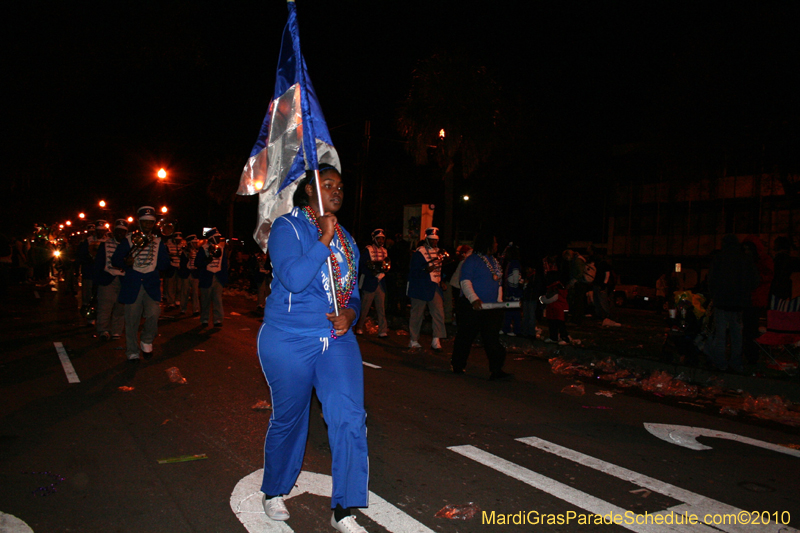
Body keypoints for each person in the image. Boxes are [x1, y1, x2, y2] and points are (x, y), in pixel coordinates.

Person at [257, 165, 369, 533]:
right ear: (309, 191)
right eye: (327, 184)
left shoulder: (349, 241)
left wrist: (350, 314)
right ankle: (274, 491)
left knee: (350, 418)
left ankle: (344, 509)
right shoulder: (286, 228)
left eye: (340, 186)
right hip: (289, 338)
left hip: (336, 340)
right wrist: (323, 238)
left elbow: (352, 291)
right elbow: (293, 278)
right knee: (290, 419)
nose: (336, 191)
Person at [112, 206, 171, 361]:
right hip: (133, 283)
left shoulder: (158, 242)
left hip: (151, 284)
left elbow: (164, 264)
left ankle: (146, 340)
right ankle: (132, 350)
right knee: (131, 319)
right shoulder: (128, 240)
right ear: (139, 222)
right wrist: (126, 261)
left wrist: (162, 257)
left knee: (154, 313)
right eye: (144, 222)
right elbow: (115, 259)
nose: (147, 225)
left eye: (150, 223)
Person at [451, 231, 510, 380]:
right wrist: (474, 299)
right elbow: (465, 281)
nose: (497, 245)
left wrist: (499, 302)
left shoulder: (494, 262)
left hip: (490, 308)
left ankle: (496, 370)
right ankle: (458, 365)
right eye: (494, 242)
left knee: (492, 339)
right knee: (466, 337)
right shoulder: (472, 260)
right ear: (487, 243)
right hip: (472, 306)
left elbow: (498, 283)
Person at [707, 234, 760, 372]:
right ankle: (736, 363)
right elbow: (755, 281)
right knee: (737, 335)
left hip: (721, 302)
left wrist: (714, 295)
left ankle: (720, 363)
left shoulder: (718, 258)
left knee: (721, 335)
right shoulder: (745, 259)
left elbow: (711, 280)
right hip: (739, 303)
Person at [406, 227, 447, 351]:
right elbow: (413, 271)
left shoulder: (439, 252)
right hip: (420, 287)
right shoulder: (419, 253)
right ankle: (413, 339)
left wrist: (442, 281)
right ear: (426, 239)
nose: (434, 242)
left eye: (435, 240)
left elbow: (440, 269)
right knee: (417, 315)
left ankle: (436, 339)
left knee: (439, 313)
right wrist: (424, 270)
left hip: (435, 286)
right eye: (431, 240)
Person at [93, 219, 128, 341]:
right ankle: (103, 330)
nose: (120, 234)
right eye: (118, 231)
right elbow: (98, 263)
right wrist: (97, 280)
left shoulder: (129, 246)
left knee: (120, 307)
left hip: (123, 279)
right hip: (108, 277)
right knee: (105, 306)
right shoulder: (106, 244)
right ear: (114, 231)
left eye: (123, 232)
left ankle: (116, 331)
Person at [355, 228, 389, 337]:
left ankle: (382, 330)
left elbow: (387, 264)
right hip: (370, 281)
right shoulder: (367, 250)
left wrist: (383, 271)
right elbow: (362, 266)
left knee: (381, 308)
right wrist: (372, 272)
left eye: (382, 239)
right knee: (365, 307)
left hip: (381, 282)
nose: (381, 241)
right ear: (374, 239)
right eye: (379, 239)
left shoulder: (385, 251)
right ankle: (359, 327)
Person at [194, 228, 229, 328]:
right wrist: (206, 260)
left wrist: (224, 279)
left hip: (218, 277)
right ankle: (204, 319)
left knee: (217, 300)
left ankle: (218, 320)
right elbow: (197, 263)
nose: (218, 239)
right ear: (211, 238)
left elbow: (224, 265)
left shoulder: (221, 249)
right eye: (216, 237)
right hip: (206, 277)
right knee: (205, 300)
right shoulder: (203, 248)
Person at [501, 244, 522, 336]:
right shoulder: (512, 263)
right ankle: (508, 328)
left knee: (513, 312)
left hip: (513, 292)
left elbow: (515, 278)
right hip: (512, 291)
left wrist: (513, 291)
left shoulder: (514, 264)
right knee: (510, 311)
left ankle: (515, 330)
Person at [178, 234, 200, 316]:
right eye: (194, 243)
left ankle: (196, 310)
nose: (195, 244)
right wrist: (188, 257)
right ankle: (183, 309)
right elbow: (182, 264)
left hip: (195, 274)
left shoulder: (198, 252)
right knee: (185, 292)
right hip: (187, 274)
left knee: (195, 293)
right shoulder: (184, 252)